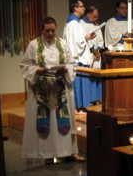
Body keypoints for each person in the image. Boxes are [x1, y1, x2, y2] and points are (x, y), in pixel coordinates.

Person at [20, 17, 85, 164]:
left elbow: (72, 64)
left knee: (63, 123)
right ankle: (48, 154)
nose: (50, 33)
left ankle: (69, 152)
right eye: (47, 30)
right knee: (48, 122)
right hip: (42, 90)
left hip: (60, 87)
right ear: (42, 30)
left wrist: (66, 69)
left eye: (53, 30)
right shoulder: (33, 45)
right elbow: (24, 65)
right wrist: (37, 70)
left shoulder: (63, 44)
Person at [63, 0, 97, 113]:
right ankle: (77, 106)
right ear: (75, 8)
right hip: (77, 59)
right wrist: (85, 38)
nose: (83, 8)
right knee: (78, 83)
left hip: (79, 57)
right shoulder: (73, 24)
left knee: (82, 83)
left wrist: (86, 38)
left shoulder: (75, 23)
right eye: (81, 6)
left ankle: (81, 105)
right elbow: (74, 43)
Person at [79, 5, 103, 104]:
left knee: (97, 77)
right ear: (88, 15)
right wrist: (93, 50)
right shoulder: (81, 24)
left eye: (97, 17)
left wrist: (99, 50)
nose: (96, 19)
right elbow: (83, 39)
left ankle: (98, 97)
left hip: (97, 54)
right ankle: (90, 98)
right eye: (94, 16)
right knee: (90, 78)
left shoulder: (96, 24)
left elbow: (100, 39)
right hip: (87, 54)